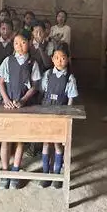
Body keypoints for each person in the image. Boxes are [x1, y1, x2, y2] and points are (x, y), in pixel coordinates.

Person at [0, 29, 42, 189]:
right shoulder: (8, 61)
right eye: (16, 43)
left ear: (29, 43)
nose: (20, 46)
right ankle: (5, 170)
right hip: (8, 106)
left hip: (23, 106)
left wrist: (22, 100)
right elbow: (1, 83)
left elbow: (35, 86)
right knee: (5, 138)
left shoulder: (33, 63)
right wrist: (6, 100)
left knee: (19, 139)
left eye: (23, 42)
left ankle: (15, 170)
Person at [38, 43, 80, 187]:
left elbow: (70, 100)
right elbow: (43, 92)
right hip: (46, 113)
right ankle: (45, 173)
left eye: (63, 58)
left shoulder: (70, 78)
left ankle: (56, 175)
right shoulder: (48, 74)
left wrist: (67, 118)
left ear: (68, 59)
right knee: (45, 143)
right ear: (52, 59)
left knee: (57, 144)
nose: (59, 61)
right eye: (56, 58)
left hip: (60, 115)